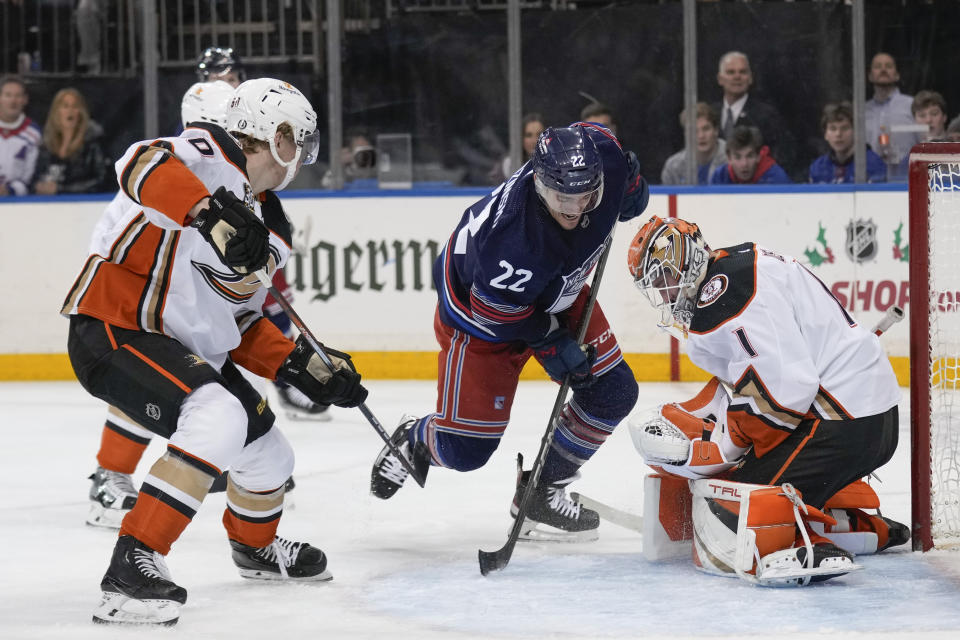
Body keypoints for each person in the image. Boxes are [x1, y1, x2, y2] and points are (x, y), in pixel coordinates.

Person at [62, 77, 369, 626]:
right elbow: (137, 164)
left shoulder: (271, 223)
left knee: (270, 455)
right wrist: (208, 212)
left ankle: (254, 548)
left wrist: (301, 364)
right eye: (298, 140)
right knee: (217, 415)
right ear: (273, 135)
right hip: (117, 327)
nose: (301, 155)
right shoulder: (208, 151)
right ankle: (132, 567)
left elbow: (240, 320)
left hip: (187, 347)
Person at [368, 122, 648, 541]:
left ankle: (540, 491)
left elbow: (607, 162)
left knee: (613, 392)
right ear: (539, 183)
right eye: (562, 199)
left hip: (556, 289)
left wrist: (632, 186)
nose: (575, 211)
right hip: (481, 320)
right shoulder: (511, 241)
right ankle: (417, 439)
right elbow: (496, 314)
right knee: (466, 452)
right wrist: (552, 342)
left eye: (586, 197)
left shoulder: (601, 151)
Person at [626, 215, 909, 585]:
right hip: (867, 416)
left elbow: (786, 391)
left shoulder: (725, 295)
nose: (664, 294)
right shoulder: (734, 264)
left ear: (687, 257)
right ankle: (866, 529)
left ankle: (803, 545)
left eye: (664, 278)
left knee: (728, 510)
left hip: (842, 420)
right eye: (655, 286)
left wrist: (725, 447)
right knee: (747, 483)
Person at [713, 51, 796, 178]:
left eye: (742, 72)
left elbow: (782, 156)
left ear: (750, 78)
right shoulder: (711, 114)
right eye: (731, 72)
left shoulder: (767, 115)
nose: (737, 77)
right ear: (720, 79)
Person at [32, 87, 108, 194]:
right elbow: (35, 179)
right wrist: (40, 186)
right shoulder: (46, 146)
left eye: (75, 106)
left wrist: (60, 189)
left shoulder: (92, 143)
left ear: (81, 112)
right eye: (65, 106)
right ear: (56, 112)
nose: (70, 111)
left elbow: (102, 181)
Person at [809, 101, 886, 184]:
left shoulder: (873, 164)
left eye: (845, 128)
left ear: (856, 132)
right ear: (825, 135)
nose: (838, 134)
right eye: (833, 129)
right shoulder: (818, 167)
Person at [864, 52, 916, 175]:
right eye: (878, 66)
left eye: (888, 66)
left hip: (907, 177)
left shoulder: (912, 105)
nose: (883, 69)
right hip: (869, 181)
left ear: (897, 75)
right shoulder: (862, 111)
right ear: (870, 76)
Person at [660, 102, 727, 185]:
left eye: (706, 129)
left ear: (716, 130)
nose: (701, 136)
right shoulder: (673, 167)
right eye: (694, 131)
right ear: (686, 134)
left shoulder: (733, 159)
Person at [0, 75, 41, 196]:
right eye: (8, 95)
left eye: (18, 96)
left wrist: (9, 190)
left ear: (25, 100)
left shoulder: (34, 133)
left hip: (17, 204)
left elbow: (30, 178)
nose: (13, 101)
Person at [710, 125, 790, 185]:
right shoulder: (720, 176)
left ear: (758, 156)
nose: (744, 164)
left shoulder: (776, 178)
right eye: (738, 157)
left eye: (750, 156)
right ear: (729, 158)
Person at [489, 112, 545, 184]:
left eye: (539, 134)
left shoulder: (555, 162)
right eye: (528, 135)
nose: (534, 140)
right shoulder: (509, 163)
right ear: (521, 138)